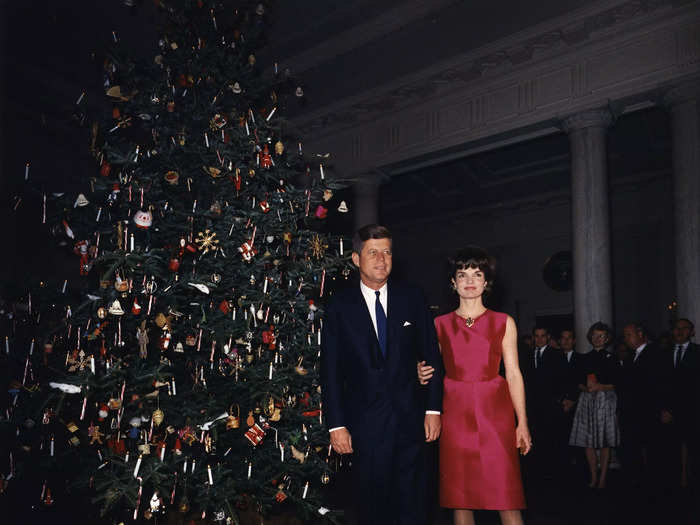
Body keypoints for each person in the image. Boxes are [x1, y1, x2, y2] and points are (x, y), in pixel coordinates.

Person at [320, 224, 443, 525]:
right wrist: (336, 424)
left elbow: (432, 355)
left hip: (411, 420)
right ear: (355, 259)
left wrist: (433, 408)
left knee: (414, 504)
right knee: (371, 505)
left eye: (386, 252)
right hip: (364, 424)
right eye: (372, 252)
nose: (381, 259)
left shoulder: (412, 297)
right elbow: (331, 369)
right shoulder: (339, 306)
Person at [418, 246, 531, 525]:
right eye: (462, 274)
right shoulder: (438, 325)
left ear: (486, 282)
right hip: (455, 413)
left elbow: (514, 373)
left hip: (496, 413)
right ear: (453, 282)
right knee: (461, 497)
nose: (469, 280)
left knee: (506, 495)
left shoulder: (504, 322)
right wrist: (419, 372)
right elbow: (426, 367)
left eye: (477, 274)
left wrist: (523, 422)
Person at [568, 322, 620, 488]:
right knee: (588, 441)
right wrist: (585, 388)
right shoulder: (583, 358)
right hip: (587, 401)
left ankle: (603, 478)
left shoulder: (613, 358)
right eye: (595, 335)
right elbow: (576, 382)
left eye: (601, 336)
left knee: (604, 441)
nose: (597, 339)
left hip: (605, 401)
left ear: (607, 339)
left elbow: (618, 383)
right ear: (590, 337)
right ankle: (593, 476)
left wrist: (600, 387)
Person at [666, 318, 699, 488]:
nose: (680, 331)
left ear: (692, 331)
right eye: (677, 328)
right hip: (670, 409)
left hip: (692, 408)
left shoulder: (697, 352)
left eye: (684, 328)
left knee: (692, 445)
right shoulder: (664, 352)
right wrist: (664, 408)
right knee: (672, 446)